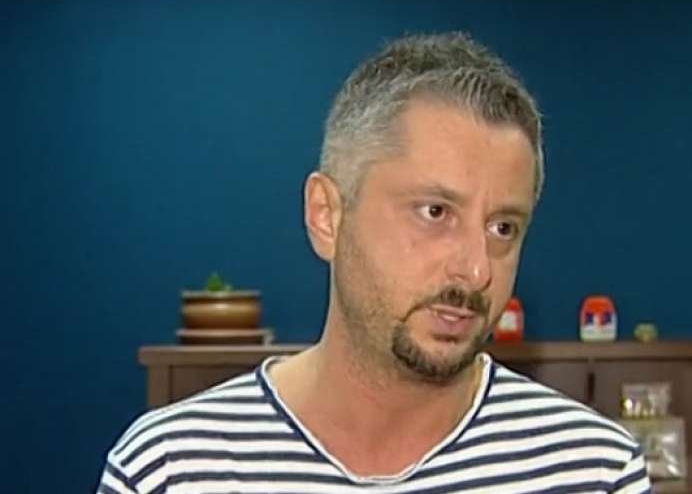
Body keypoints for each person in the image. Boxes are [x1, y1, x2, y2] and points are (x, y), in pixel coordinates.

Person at [97, 32, 651, 494]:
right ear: (327, 216)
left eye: (502, 227)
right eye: (435, 212)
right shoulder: (172, 468)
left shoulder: (593, 471)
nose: (477, 270)